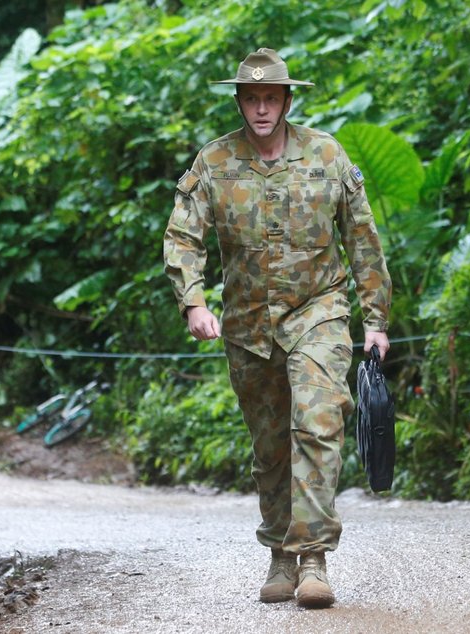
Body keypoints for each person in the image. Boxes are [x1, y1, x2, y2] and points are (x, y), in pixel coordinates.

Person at [163, 48, 391, 609]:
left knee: (317, 423)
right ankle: (280, 556)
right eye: (252, 98)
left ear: (288, 100)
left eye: (272, 97)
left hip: (320, 311)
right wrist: (193, 301)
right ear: (239, 101)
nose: (262, 108)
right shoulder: (215, 163)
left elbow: (362, 239)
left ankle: (313, 557)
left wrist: (376, 319)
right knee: (270, 448)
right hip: (247, 325)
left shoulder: (327, 156)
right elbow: (183, 236)